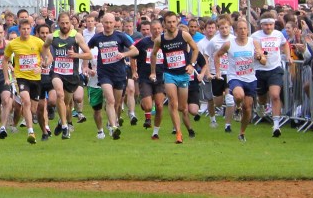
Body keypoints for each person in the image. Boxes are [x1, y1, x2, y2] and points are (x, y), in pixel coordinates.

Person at [149, 12, 202, 144]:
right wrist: (153, 71)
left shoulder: (184, 35)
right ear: (164, 24)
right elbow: (153, 54)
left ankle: (188, 128)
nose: (171, 24)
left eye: (173, 22)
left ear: (177, 22)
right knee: (173, 103)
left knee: (183, 108)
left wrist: (192, 65)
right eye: (169, 22)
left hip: (183, 75)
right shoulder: (160, 40)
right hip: (169, 74)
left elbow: (195, 50)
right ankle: (178, 133)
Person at [212, 19, 266, 142]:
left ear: (248, 30)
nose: (242, 31)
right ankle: (237, 107)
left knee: (248, 108)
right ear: (235, 31)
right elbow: (217, 55)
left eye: (245, 28)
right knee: (238, 94)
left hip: (250, 78)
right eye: (240, 29)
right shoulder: (229, 44)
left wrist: (260, 57)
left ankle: (242, 133)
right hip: (234, 77)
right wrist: (218, 70)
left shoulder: (254, 43)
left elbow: (263, 61)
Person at [90, 14, 138, 140]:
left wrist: (123, 54)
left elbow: (135, 51)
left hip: (119, 73)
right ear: (102, 22)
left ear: (114, 23)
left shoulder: (121, 36)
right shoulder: (97, 37)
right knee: (110, 100)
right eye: (106, 22)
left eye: (111, 22)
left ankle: (113, 121)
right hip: (104, 74)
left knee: (117, 103)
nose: (108, 25)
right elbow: (86, 50)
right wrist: (85, 65)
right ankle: (113, 127)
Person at [4, 17, 48, 144]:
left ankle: (41, 129)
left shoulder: (38, 42)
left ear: (31, 29)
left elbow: (48, 57)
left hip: (36, 78)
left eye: (28, 29)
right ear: (19, 30)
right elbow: (5, 60)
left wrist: (42, 66)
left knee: (34, 109)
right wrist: (7, 77)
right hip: (21, 77)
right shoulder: (13, 44)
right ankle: (31, 132)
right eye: (23, 29)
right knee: (25, 100)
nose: (26, 31)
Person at [48, 13, 90, 140]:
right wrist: (48, 58)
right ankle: (66, 128)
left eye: (67, 23)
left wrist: (76, 55)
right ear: (58, 23)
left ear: (70, 24)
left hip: (71, 74)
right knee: (59, 95)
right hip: (56, 72)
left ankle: (61, 122)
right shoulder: (52, 37)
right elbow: (44, 48)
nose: (65, 25)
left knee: (66, 103)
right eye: (62, 23)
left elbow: (89, 55)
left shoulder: (76, 36)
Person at [252, 14, 292, 137]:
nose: (268, 27)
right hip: (260, 70)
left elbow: (285, 44)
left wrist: (288, 56)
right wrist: (260, 54)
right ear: (261, 25)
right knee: (262, 97)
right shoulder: (255, 36)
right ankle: (260, 105)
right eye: (266, 24)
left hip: (275, 69)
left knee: (275, 95)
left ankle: (276, 125)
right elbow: (255, 50)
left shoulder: (278, 34)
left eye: (271, 24)